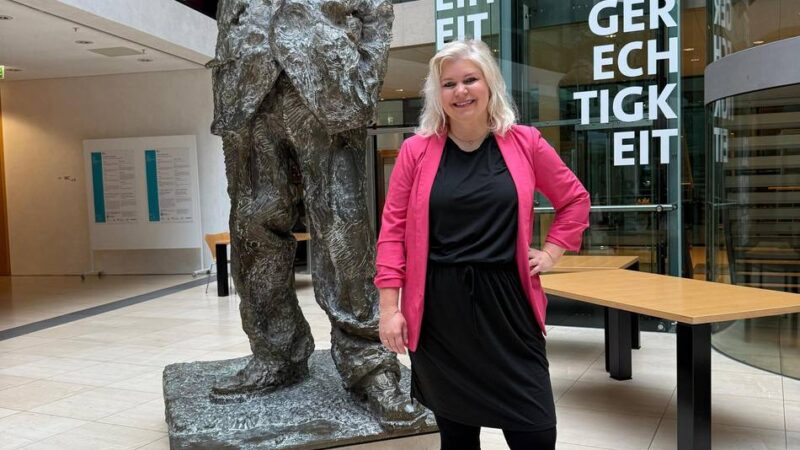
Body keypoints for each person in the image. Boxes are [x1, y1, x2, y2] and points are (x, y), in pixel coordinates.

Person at [209, 0, 425, 428]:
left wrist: (364, 81)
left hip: (329, 88)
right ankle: (276, 353)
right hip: (248, 90)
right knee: (253, 227)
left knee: (342, 229)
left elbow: (376, 12)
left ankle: (367, 363)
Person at [374, 39, 591, 449]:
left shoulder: (525, 142)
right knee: (457, 438)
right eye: (448, 83)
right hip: (440, 311)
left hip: (509, 307)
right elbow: (393, 232)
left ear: (489, 84)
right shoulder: (415, 152)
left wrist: (552, 251)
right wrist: (390, 309)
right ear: (436, 94)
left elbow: (575, 200)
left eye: (470, 79)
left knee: (536, 433)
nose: (460, 91)